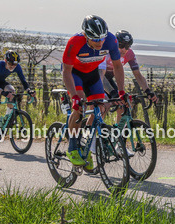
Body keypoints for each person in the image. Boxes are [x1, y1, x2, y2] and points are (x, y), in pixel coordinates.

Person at [61, 16, 125, 168]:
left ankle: (85, 143)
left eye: (102, 38)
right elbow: (66, 71)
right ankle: (72, 148)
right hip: (74, 74)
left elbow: (117, 66)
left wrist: (121, 91)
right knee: (80, 107)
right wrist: (75, 97)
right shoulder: (75, 42)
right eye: (95, 39)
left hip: (92, 74)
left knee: (101, 107)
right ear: (85, 35)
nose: (100, 42)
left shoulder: (110, 40)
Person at [101, 30, 159, 124]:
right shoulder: (107, 51)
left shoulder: (130, 54)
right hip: (98, 78)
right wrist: (112, 92)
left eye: (127, 46)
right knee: (105, 104)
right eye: (121, 45)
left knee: (123, 105)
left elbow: (138, 75)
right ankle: (96, 132)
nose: (124, 49)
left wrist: (148, 91)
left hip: (108, 79)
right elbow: (100, 76)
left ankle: (117, 134)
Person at [0, 50, 35, 146]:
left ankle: (7, 117)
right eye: (10, 63)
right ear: (5, 60)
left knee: (12, 91)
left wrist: (29, 90)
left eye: (15, 64)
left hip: (0, 81)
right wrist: (3, 93)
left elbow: (23, 80)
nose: (13, 66)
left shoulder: (17, 67)